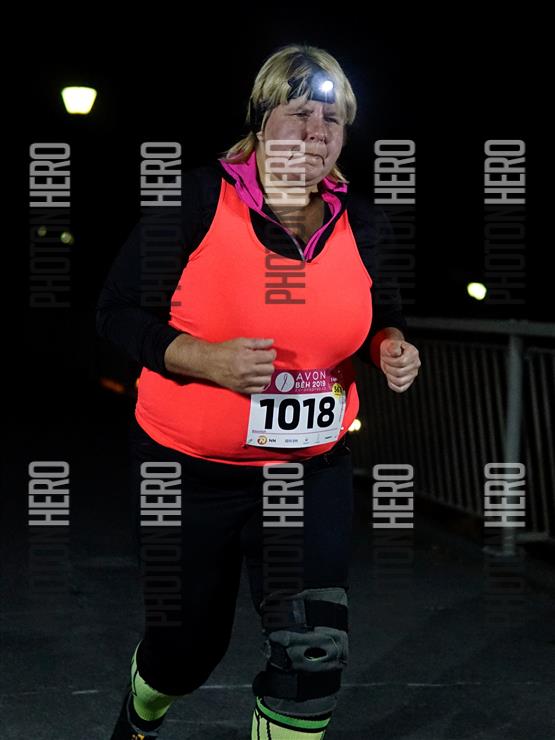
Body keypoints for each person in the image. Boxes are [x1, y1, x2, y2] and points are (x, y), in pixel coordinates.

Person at [97, 43, 420, 740]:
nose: (316, 132)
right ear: (261, 119)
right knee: (185, 651)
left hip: (309, 472)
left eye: (332, 121)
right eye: (300, 113)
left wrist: (389, 346)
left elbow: (384, 310)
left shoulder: (363, 223)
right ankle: (141, 710)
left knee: (312, 652)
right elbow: (116, 312)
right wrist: (203, 359)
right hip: (186, 473)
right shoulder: (194, 201)